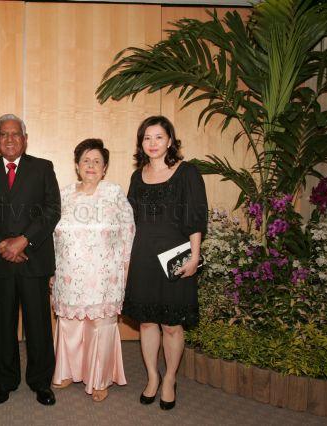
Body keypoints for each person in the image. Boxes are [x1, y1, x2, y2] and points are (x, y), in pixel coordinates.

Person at [0, 114, 60, 406]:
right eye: (4, 134)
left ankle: (41, 383)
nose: (10, 139)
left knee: (39, 325)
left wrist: (23, 240)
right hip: (0, 261)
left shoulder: (43, 168)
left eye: (15, 134)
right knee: (4, 324)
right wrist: (0, 244)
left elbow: (51, 210)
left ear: (25, 138)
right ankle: (5, 382)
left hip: (34, 259)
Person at [122, 116, 207, 410]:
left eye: (159, 137)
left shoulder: (187, 172)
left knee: (172, 324)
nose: (153, 143)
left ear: (170, 140)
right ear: (141, 143)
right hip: (143, 255)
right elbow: (129, 221)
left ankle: (170, 378)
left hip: (176, 255)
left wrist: (195, 256)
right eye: (147, 138)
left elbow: (196, 217)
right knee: (147, 322)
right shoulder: (137, 176)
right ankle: (152, 378)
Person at [51, 139, 135, 402]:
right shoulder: (63, 194)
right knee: (70, 323)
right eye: (86, 160)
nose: (91, 165)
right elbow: (51, 235)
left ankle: (100, 379)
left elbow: (128, 232)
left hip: (104, 275)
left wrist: (126, 269)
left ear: (105, 167)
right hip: (69, 273)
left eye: (97, 161)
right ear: (77, 165)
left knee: (100, 324)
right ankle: (66, 372)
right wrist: (51, 270)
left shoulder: (113, 193)